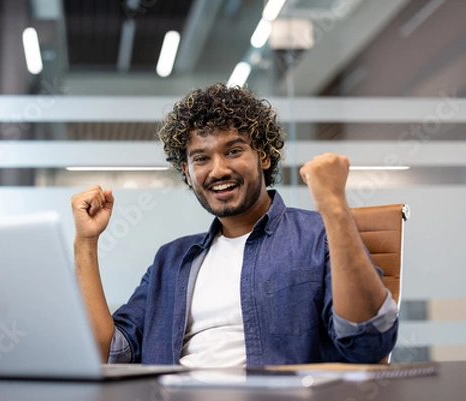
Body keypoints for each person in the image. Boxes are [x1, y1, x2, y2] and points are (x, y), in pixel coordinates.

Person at [71, 83, 398, 367]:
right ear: (187, 172)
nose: (218, 170)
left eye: (234, 151)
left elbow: (368, 343)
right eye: (201, 158)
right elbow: (109, 354)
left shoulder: (317, 237)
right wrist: (86, 242)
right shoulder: (170, 261)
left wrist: (335, 209)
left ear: (264, 156)